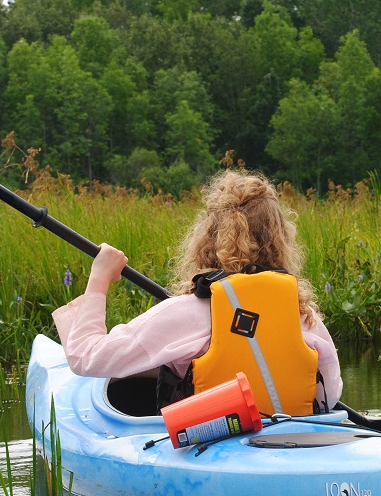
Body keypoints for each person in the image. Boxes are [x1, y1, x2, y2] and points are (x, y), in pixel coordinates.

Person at [52, 170, 342, 415]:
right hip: (292, 443)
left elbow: (85, 357)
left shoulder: (185, 313)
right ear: (280, 239)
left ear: (208, 236)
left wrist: (99, 277)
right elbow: (330, 393)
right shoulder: (304, 316)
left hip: (209, 445)